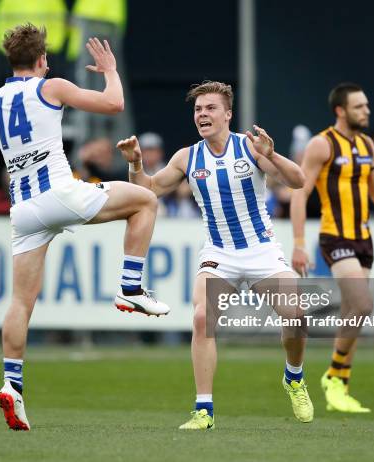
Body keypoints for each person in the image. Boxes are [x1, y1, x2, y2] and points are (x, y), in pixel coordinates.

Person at [0, 23, 169, 432]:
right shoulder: (50, 86)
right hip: (59, 192)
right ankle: (130, 288)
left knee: (20, 302)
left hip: (24, 209)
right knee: (145, 201)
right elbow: (114, 104)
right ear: (41, 60)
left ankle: (11, 384)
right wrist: (109, 70)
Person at [117, 81, 314, 429]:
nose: (202, 114)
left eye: (210, 108)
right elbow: (145, 191)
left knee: (296, 316)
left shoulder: (250, 147)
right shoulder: (187, 157)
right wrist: (135, 163)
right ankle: (204, 411)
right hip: (219, 253)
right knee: (201, 319)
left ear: (228, 114)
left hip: (261, 250)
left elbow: (298, 182)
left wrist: (271, 154)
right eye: (198, 109)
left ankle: (294, 377)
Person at [290, 82, 374, 413]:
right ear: (340, 111)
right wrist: (300, 243)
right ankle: (333, 374)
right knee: (362, 304)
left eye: (366, 105)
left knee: (352, 313)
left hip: (364, 239)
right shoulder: (322, 145)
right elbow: (300, 193)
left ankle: (340, 385)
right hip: (335, 236)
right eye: (359, 106)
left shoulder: (367, 146)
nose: (367, 111)